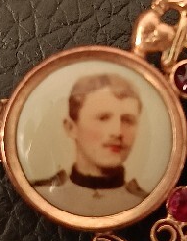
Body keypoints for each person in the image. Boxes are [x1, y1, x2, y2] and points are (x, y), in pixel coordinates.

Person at [31, 72, 149, 216]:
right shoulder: (38, 195)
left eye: (128, 120)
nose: (117, 132)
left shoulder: (147, 203)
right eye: (103, 118)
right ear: (71, 128)